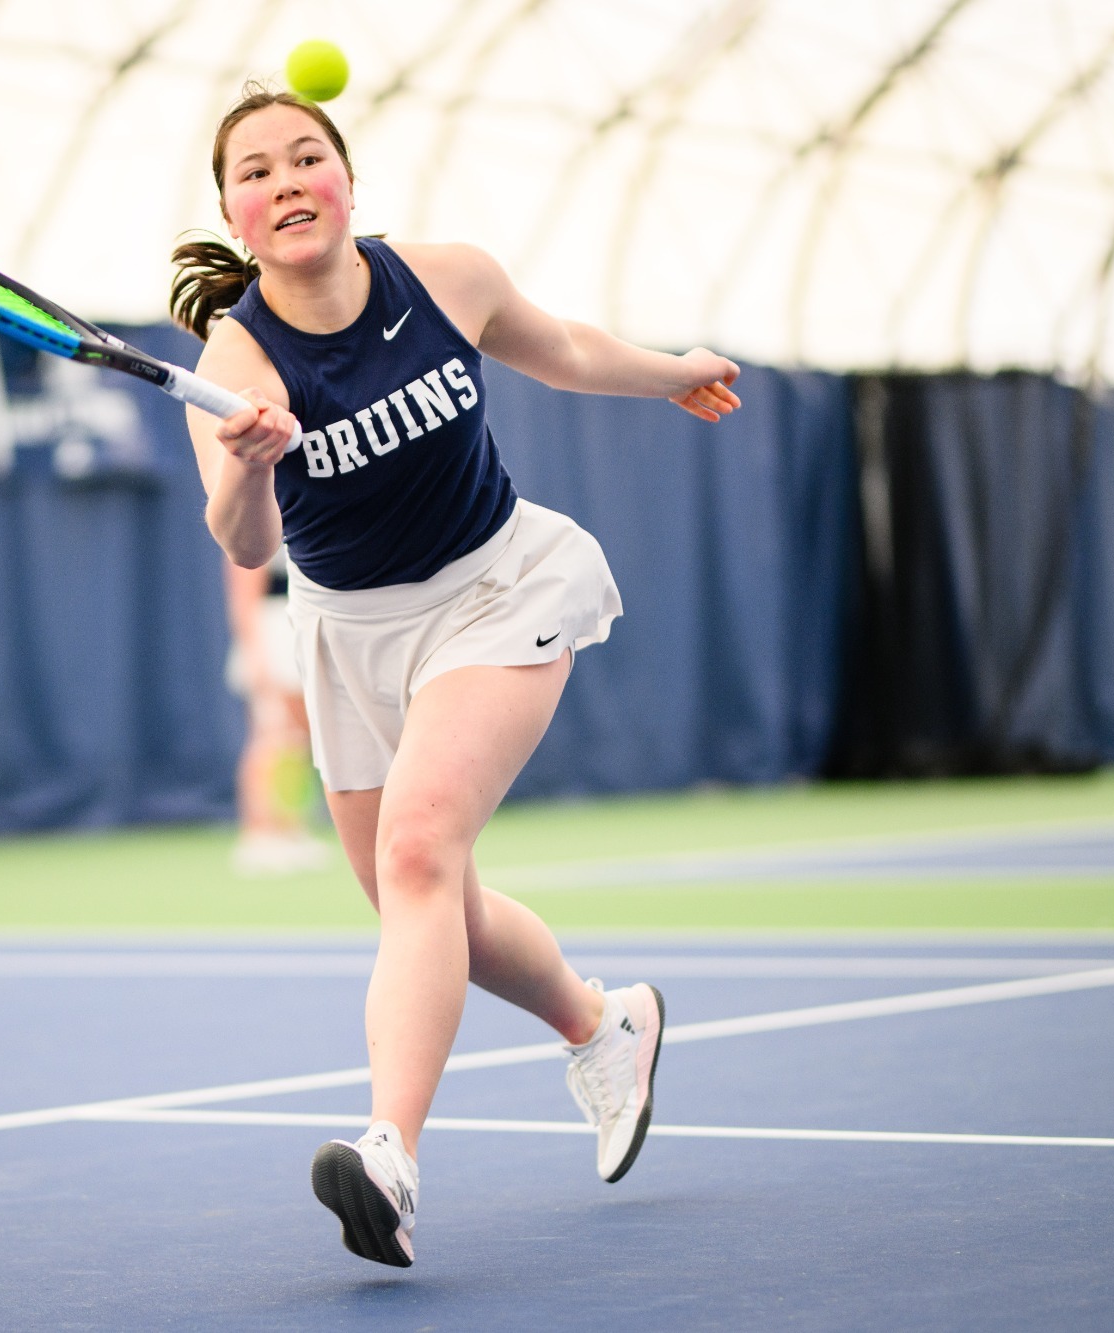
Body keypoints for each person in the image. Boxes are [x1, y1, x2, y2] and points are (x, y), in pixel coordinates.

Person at [170, 83, 742, 1269]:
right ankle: (602, 1024)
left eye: (305, 156)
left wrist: (669, 369)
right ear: (232, 216)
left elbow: (565, 348)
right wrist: (249, 466)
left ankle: (389, 1154)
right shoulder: (236, 363)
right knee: (429, 910)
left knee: (420, 850)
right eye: (254, 172)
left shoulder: (446, 278)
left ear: (346, 179)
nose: (285, 181)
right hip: (348, 633)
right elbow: (243, 544)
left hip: (496, 588)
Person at [223, 548, 327, 874]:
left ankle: (290, 829)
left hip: (298, 629)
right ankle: (260, 832)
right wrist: (256, 654)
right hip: (270, 636)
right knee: (270, 736)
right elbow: (243, 597)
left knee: (296, 739)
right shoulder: (255, 535)